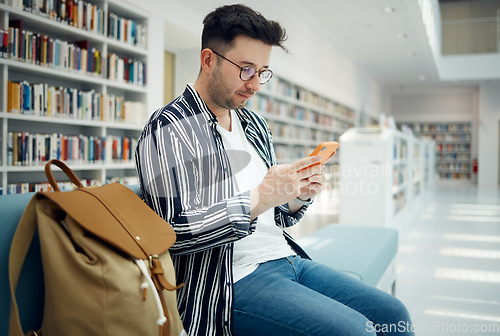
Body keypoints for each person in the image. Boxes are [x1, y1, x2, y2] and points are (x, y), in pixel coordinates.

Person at [136, 4, 414, 336]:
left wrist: (294, 195)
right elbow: (174, 231)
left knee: (393, 313)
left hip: (286, 257)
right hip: (229, 279)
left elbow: (277, 216)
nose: (255, 84)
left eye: (263, 71)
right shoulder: (169, 128)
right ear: (208, 60)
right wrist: (260, 196)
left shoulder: (253, 123)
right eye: (246, 69)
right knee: (356, 331)